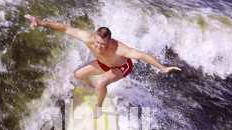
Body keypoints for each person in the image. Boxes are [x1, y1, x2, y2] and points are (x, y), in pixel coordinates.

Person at [25, 15, 181, 118]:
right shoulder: (88, 38)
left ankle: (98, 107)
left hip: (121, 67)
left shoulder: (119, 48)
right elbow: (65, 28)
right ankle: (96, 90)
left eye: (103, 44)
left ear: (109, 41)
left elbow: (142, 55)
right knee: (78, 75)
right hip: (103, 64)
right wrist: (41, 23)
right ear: (94, 37)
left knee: (101, 81)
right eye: (97, 42)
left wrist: (163, 68)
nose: (99, 47)